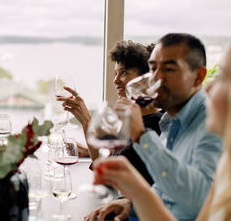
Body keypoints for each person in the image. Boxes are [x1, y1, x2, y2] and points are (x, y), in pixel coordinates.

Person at [85, 33, 223, 221]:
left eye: (169, 69)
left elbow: (197, 201)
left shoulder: (212, 124)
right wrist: (130, 203)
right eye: (153, 69)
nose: (156, 79)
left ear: (198, 77)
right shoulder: (170, 121)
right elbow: (164, 188)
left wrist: (142, 136)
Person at [57, 40, 162, 185]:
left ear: (147, 78)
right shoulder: (130, 118)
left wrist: (87, 120)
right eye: (115, 73)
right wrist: (90, 149)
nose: (115, 80)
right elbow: (111, 158)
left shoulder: (155, 125)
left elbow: (107, 177)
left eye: (124, 72)